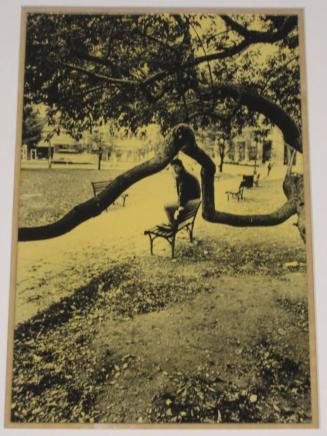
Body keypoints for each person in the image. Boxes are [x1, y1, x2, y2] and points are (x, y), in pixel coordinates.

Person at [164, 158, 201, 226]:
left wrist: (180, 205)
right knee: (172, 206)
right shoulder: (184, 175)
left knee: (166, 207)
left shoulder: (185, 177)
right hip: (195, 201)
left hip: (192, 202)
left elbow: (184, 194)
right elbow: (182, 193)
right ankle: (173, 223)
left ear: (181, 166)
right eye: (173, 168)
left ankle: (173, 224)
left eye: (176, 167)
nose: (174, 170)